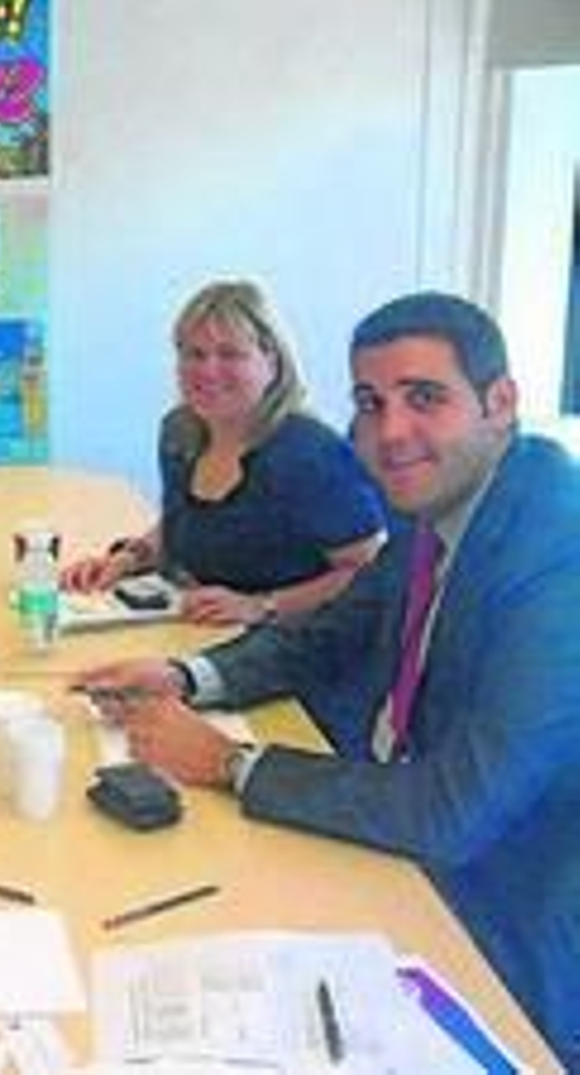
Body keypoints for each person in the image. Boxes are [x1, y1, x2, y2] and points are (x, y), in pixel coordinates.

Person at [76, 292, 580, 1066]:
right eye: (371, 402)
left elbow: (452, 811)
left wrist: (230, 761)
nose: (390, 432)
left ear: (501, 402)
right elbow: (330, 631)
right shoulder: (433, 502)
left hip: (508, 906)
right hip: (393, 823)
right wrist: (185, 673)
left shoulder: (557, 561)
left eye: (425, 397)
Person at [61, 281, 385, 625]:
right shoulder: (179, 432)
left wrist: (262, 606)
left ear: (272, 361)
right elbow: (184, 523)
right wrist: (126, 560)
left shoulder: (311, 454)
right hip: (203, 624)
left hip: (297, 638)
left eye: (230, 354)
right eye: (194, 354)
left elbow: (369, 569)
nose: (208, 370)